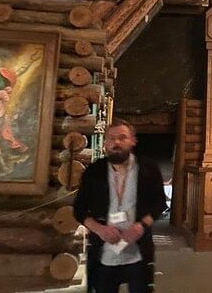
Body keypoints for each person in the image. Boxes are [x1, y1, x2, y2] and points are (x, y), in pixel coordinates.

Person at [74, 118, 167, 293]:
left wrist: (141, 226)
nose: (116, 142)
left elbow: (159, 203)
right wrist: (99, 229)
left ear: (133, 141)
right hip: (104, 253)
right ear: (105, 143)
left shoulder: (148, 168)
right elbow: (79, 209)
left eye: (122, 137)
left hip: (138, 252)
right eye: (111, 138)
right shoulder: (94, 171)